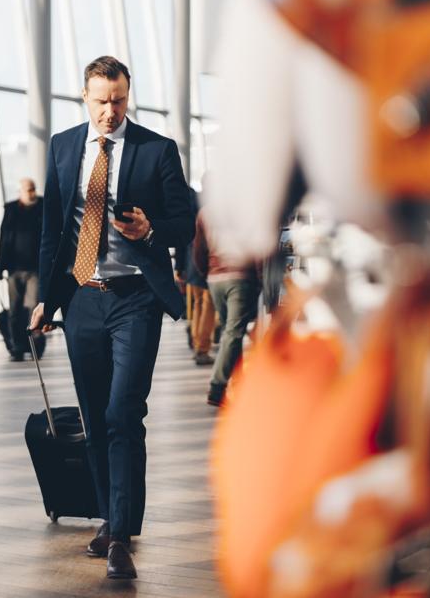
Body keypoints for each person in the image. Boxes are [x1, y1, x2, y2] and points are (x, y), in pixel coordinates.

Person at [29, 56, 194, 580]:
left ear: (129, 96)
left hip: (135, 298)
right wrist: (44, 299)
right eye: (101, 101)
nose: (109, 111)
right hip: (82, 299)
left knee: (125, 412)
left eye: (118, 100)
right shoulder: (62, 147)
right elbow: (53, 232)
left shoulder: (156, 150)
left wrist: (150, 230)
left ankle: (120, 533)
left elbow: (186, 222)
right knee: (97, 415)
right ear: (85, 96)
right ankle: (109, 517)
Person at [193, 209, 260, 407]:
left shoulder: (205, 213)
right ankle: (217, 387)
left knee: (231, 333)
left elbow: (198, 248)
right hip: (239, 277)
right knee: (233, 332)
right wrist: (260, 278)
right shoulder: (246, 207)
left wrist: (206, 273)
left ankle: (240, 384)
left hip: (215, 280)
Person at [0, 178, 43, 361]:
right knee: (15, 310)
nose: (31, 193)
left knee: (33, 307)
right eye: (28, 190)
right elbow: (4, 239)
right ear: (20, 192)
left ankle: (35, 345)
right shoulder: (11, 210)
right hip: (14, 268)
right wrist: (1, 266)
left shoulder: (42, 207)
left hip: (35, 269)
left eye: (33, 189)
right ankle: (17, 346)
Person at [174, 187, 216, 365]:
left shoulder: (187, 209)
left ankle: (196, 337)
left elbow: (180, 241)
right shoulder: (211, 212)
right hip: (204, 264)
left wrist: (180, 267)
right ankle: (202, 348)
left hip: (191, 265)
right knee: (208, 306)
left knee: (198, 304)